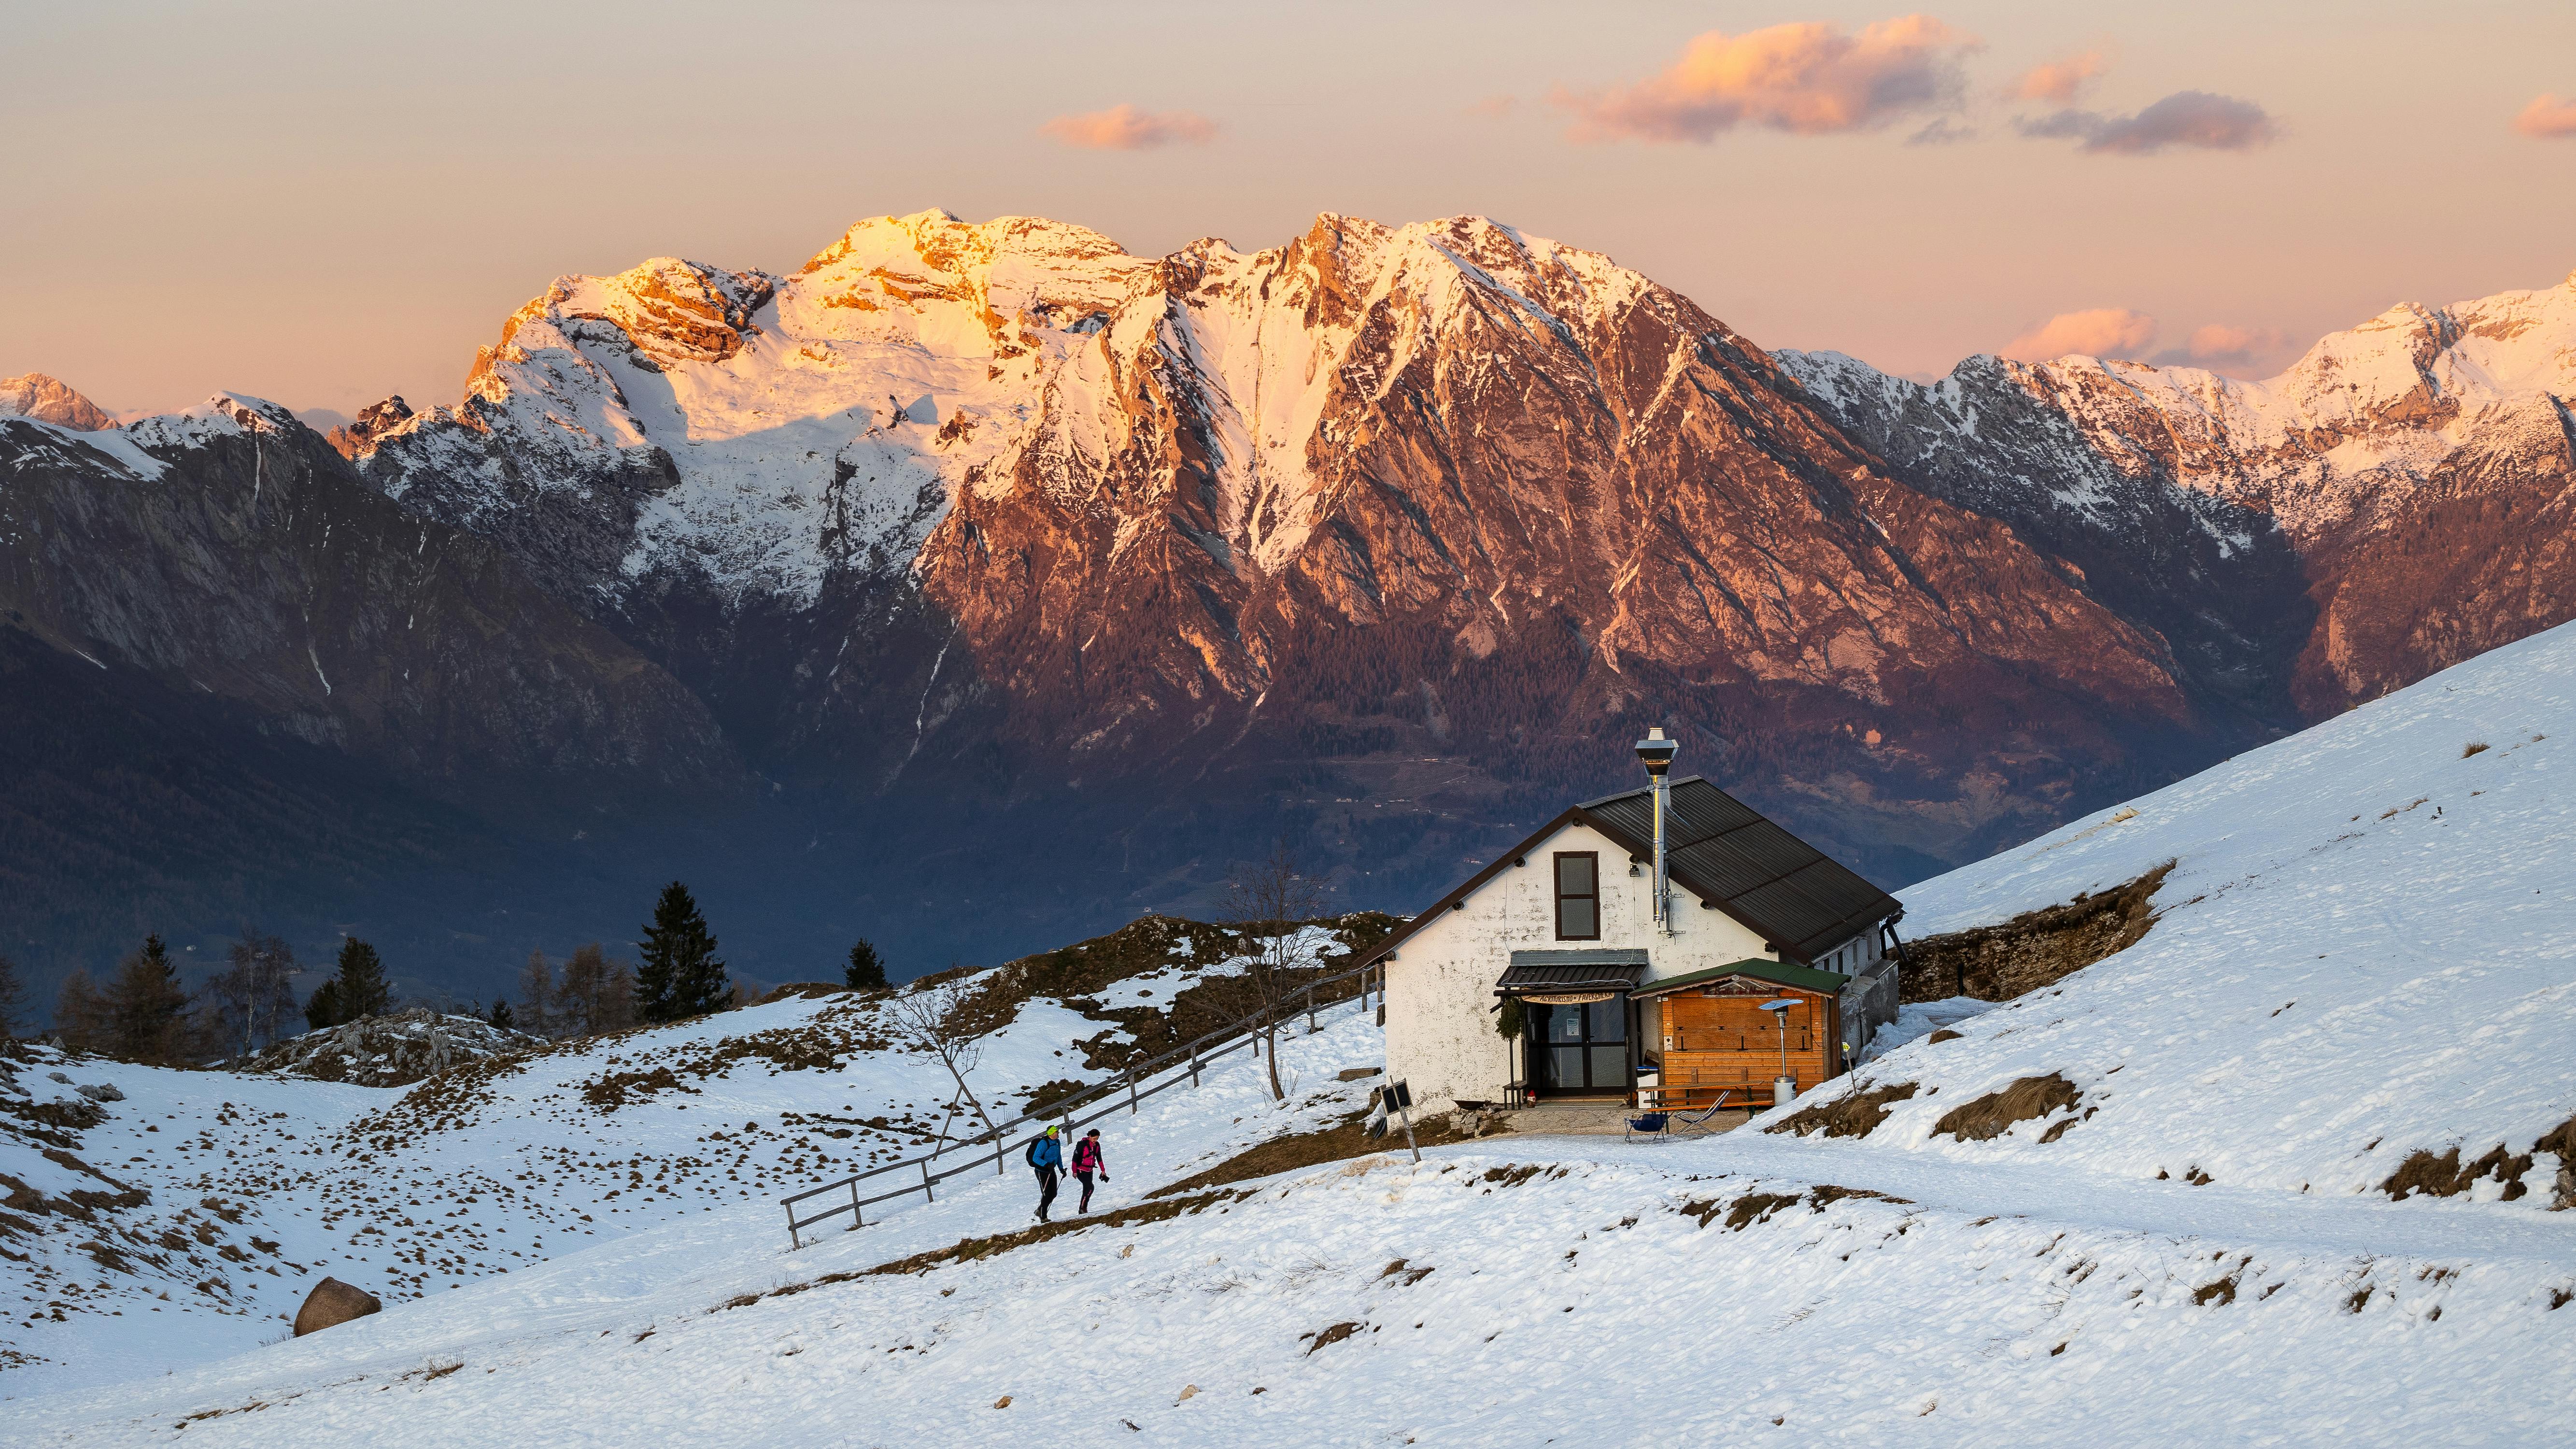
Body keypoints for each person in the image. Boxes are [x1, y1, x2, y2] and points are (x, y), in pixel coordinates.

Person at [1025, 1124, 1064, 1222]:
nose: (1058, 1133)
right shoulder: (1044, 1143)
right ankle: (1043, 1217)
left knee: (1054, 1194)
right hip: (1042, 1171)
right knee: (1047, 1194)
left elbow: (1058, 1156)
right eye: (1057, 1132)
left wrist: (1061, 1169)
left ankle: (1039, 1210)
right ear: (1052, 1134)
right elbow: (1036, 1158)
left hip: (1051, 1170)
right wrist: (1046, 1164)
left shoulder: (1057, 1142)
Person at [1072, 1127, 1108, 1213]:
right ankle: (1083, 1208)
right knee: (1091, 1187)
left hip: (1090, 1171)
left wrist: (1103, 1170)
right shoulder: (1082, 1144)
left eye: (1097, 1139)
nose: (1096, 1140)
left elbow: (1099, 1158)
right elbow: (1075, 1159)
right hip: (1080, 1170)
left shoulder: (1097, 1145)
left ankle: (1082, 1209)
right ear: (1090, 1136)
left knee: (1086, 1189)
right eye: (1094, 1138)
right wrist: (1074, 1171)